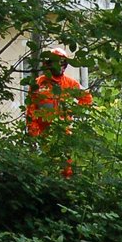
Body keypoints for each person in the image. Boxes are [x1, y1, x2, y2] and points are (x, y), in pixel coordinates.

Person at [26, 44, 92, 176]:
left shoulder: (70, 83)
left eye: (62, 63)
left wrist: (76, 115)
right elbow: (30, 111)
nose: (60, 66)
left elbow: (87, 98)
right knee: (44, 168)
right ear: (48, 64)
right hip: (43, 135)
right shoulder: (38, 84)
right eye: (56, 63)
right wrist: (34, 134)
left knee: (66, 168)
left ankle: (65, 191)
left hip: (64, 133)